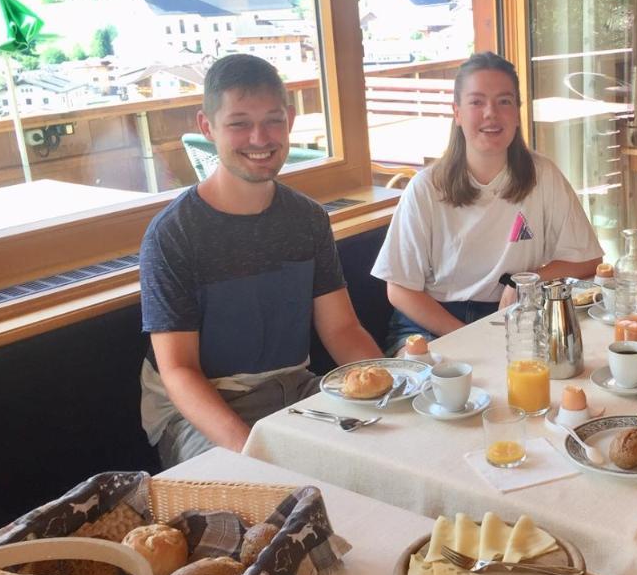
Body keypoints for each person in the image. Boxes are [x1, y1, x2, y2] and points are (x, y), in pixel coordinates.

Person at [139, 54, 381, 466]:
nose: (259, 137)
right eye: (239, 123)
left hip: (296, 391)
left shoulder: (307, 219)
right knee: (265, 500)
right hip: (204, 409)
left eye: (272, 120)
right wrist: (254, 449)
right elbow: (179, 372)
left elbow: (341, 328)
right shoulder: (174, 234)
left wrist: (392, 386)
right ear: (207, 127)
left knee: (393, 452)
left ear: (289, 119)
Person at [371, 52, 603, 354]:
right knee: (446, 388)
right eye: (477, 102)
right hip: (431, 322)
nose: (491, 113)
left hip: (515, 315)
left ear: (517, 113)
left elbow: (588, 259)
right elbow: (400, 289)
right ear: (457, 113)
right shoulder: (425, 187)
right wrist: (469, 338)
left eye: (504, 101)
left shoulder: (543, 176)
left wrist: (526, 281)